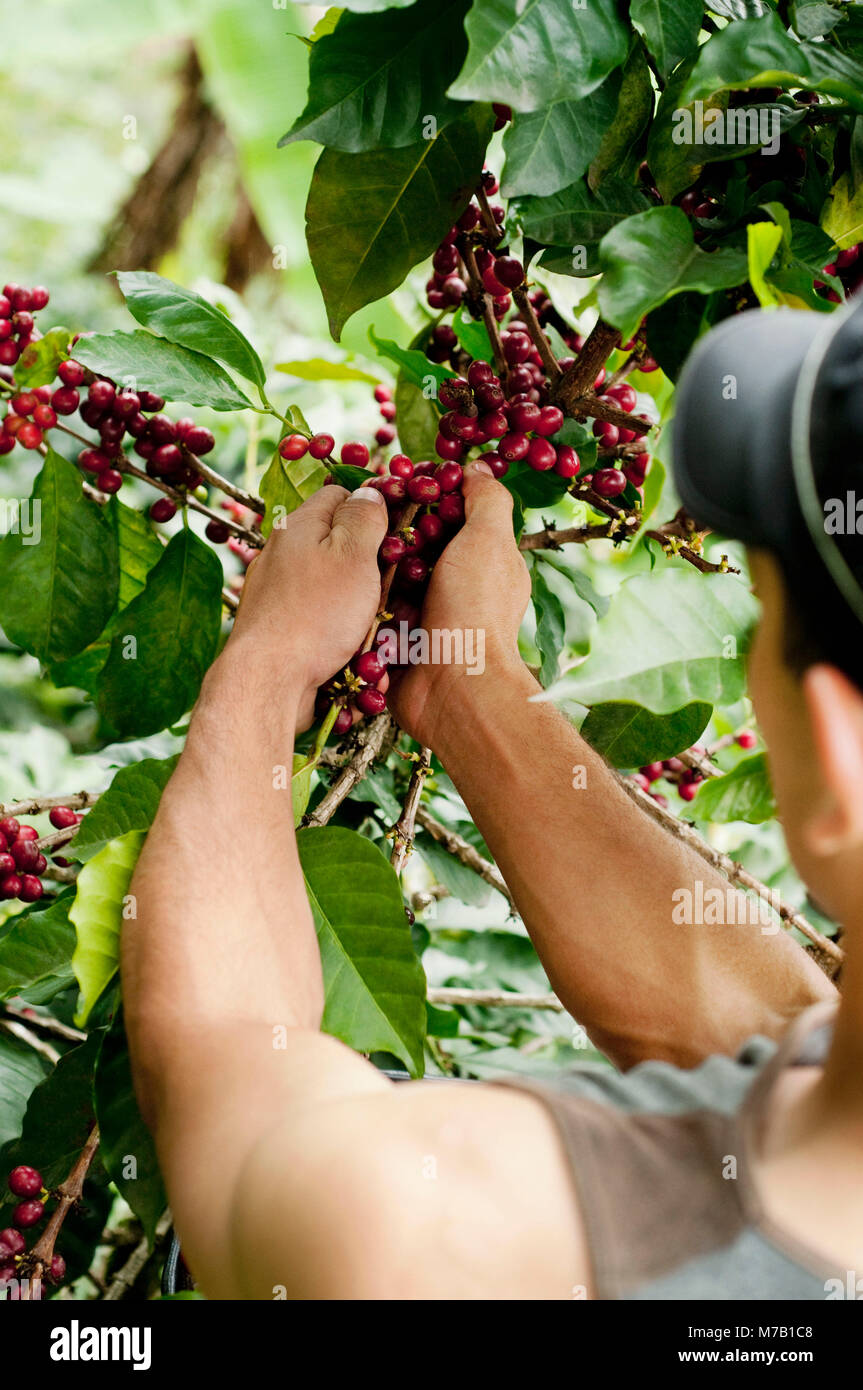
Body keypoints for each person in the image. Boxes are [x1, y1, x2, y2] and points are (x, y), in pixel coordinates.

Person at [122, 300, 863, 1301]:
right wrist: (472, 687)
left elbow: (219, 1060)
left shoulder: (441, 1236)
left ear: (836, 753)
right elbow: (768, 1027)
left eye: (758, 618)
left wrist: (269, 663)